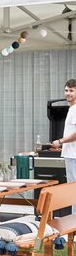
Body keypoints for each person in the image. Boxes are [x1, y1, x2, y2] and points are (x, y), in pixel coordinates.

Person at [50, 78, 76, 213]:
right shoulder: (72, 109)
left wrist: (60, 141)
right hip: (71, 154)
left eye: (71, 90)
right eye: (66, 90)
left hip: (73, 156)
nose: (68, 93)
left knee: (73, 190)